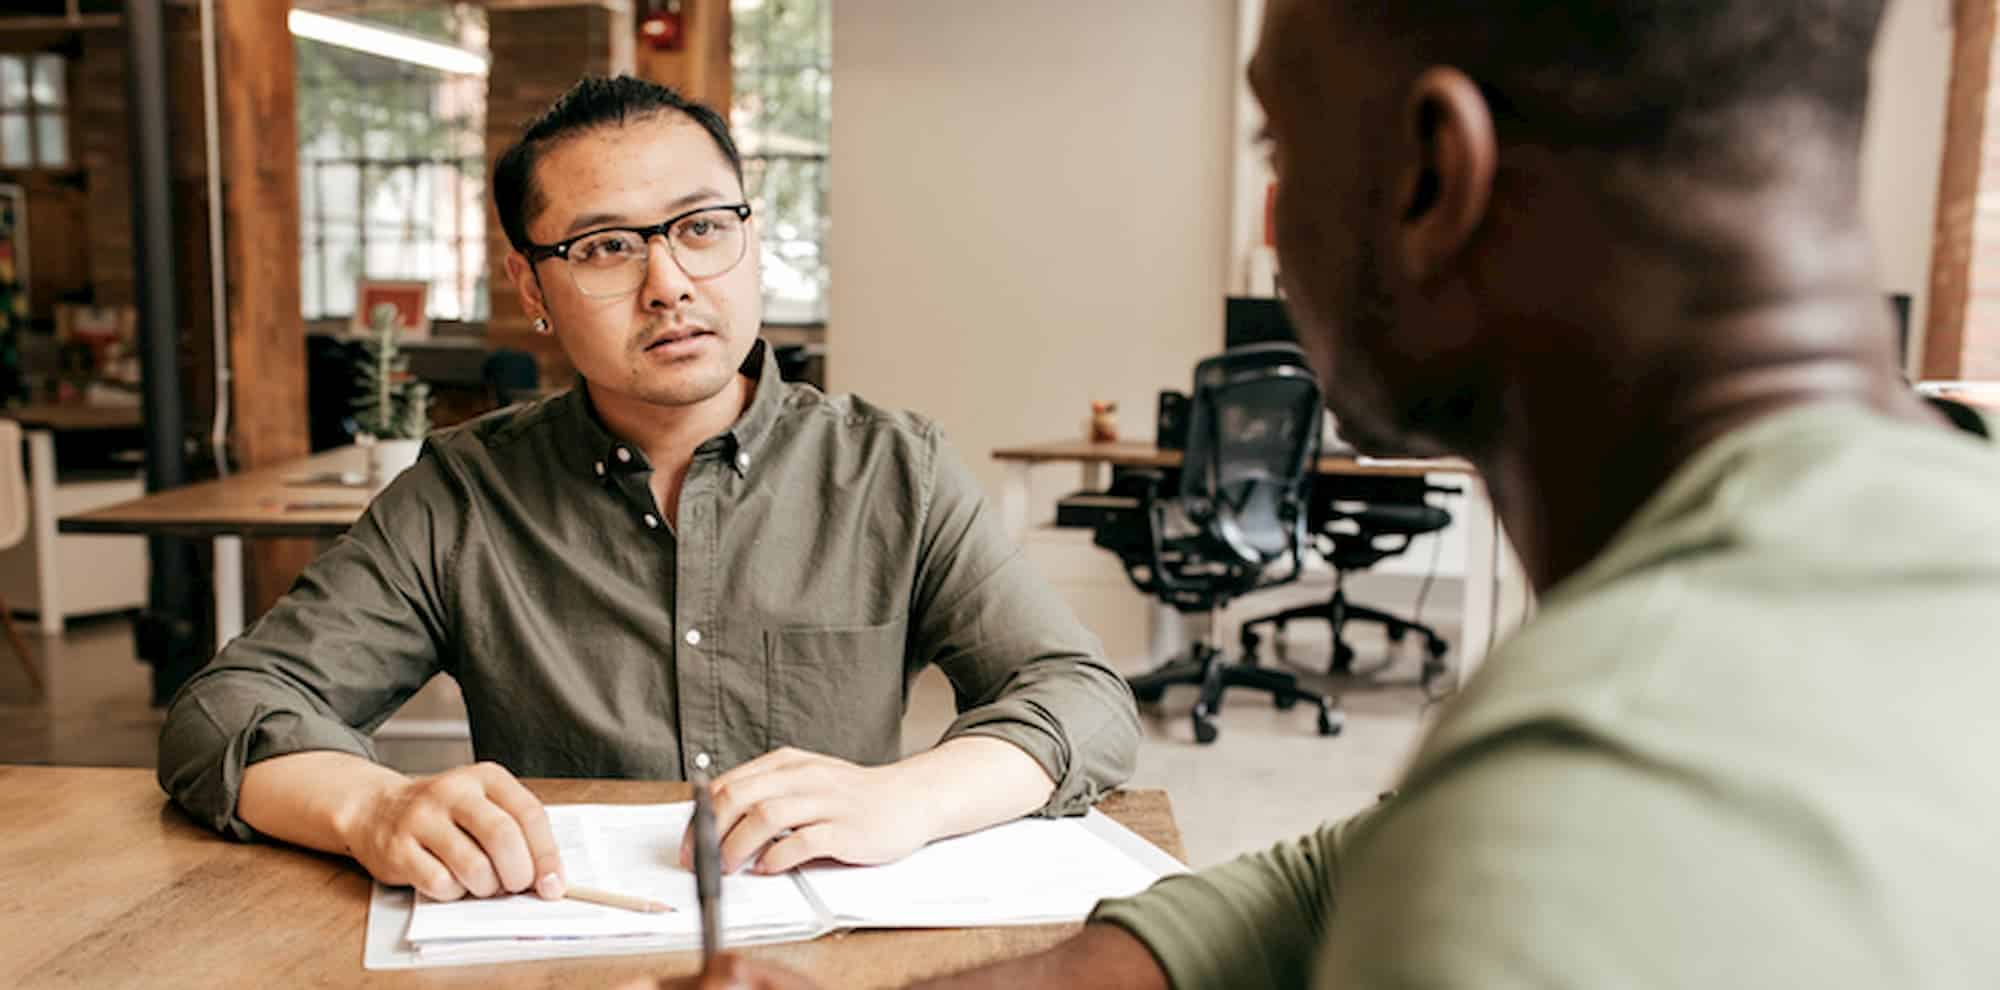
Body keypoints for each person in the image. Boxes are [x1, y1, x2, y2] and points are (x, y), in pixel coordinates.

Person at [654, 0, 2000, 986]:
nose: (1280, 211)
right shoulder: (1919, 558)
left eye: (1279, 144)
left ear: (1430, 178)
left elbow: (1483, 853)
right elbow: (1351, 865)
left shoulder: (1569, 825)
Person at [156, 76, 1138, 907]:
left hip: (824, 954)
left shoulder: (893, 472)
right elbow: (226, 711)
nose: (667, 281)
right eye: (605, 247)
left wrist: (908, 799)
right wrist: (371, 806)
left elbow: (1078, 698)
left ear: (748, 238)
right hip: (561, 949)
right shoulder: (464, 493)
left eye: (702, 228)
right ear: (531, 288)